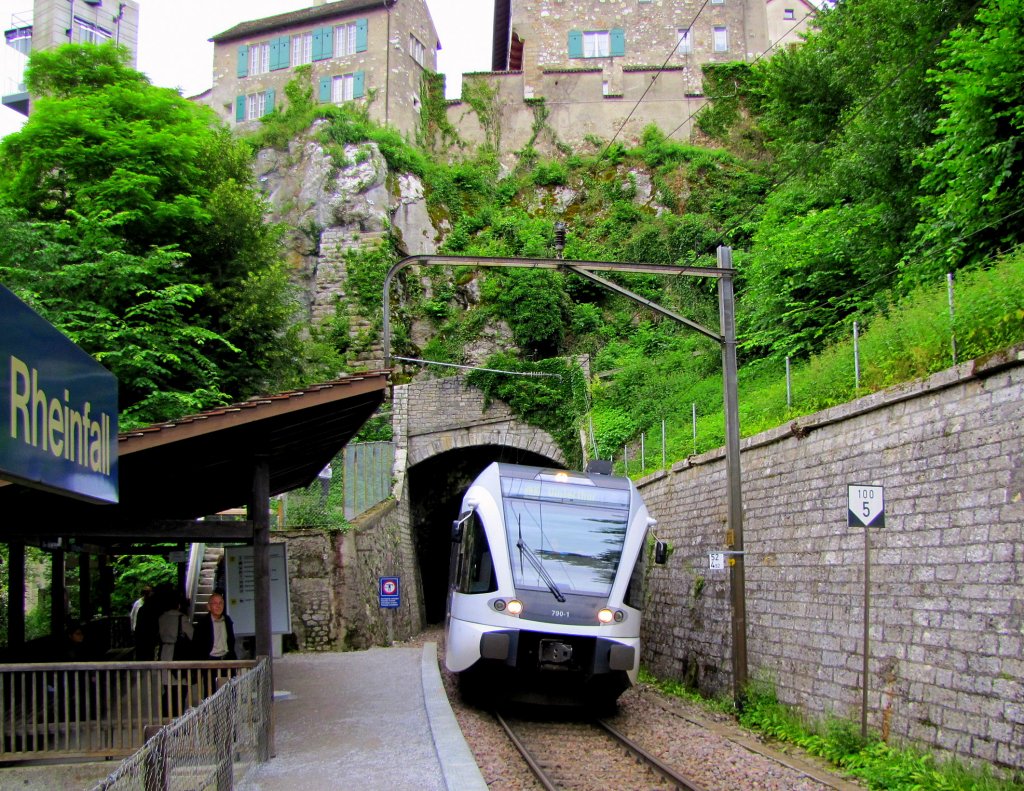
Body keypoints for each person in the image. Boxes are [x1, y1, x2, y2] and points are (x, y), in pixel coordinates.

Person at [191, 592, 236, 661]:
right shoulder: (202, 624)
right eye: (215, 603)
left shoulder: (227, 620)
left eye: (221, 603)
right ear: (209, 607)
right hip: (209, 661)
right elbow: (197, 647)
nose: (218, 606)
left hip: (227, 659)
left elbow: (231, 641)